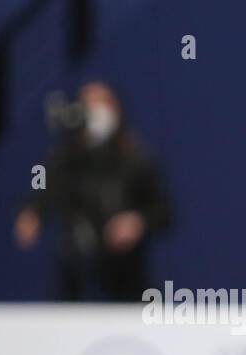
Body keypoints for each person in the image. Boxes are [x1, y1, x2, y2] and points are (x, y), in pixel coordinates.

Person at [13, 80, 173, 301]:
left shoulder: (136, 159)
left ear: (116, 108)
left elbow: (165, 211)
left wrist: (137, 221)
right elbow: (43, 195)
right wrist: (32, 213)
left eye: (102, 102)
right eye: (89, 102)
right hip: (76, 275)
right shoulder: (64, 159)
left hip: (126, 276)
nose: (96, 110)